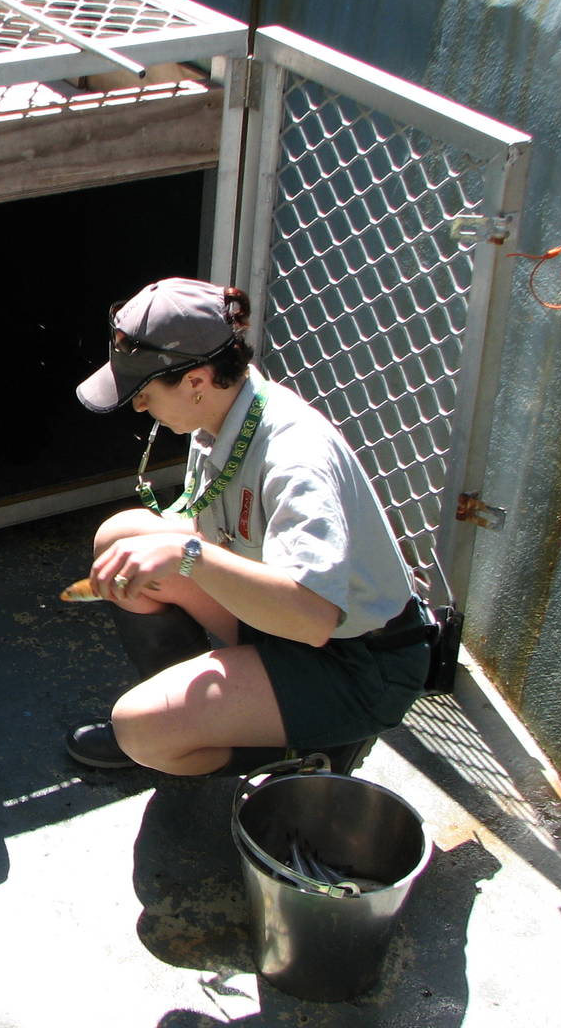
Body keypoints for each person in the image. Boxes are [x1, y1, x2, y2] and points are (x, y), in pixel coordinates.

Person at [66, 276, 431, 775]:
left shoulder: (295, 456)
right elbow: (206, 523)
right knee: (123, 539)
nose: (138, 406)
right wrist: (176, 550)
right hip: (277, 625)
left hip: (353, 662)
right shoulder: (219, 414)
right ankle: (202, 715)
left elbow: (314, 617)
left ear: (196, 381)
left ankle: (311, 748)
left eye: (145, 392)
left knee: (138, 729)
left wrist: (188, 557)